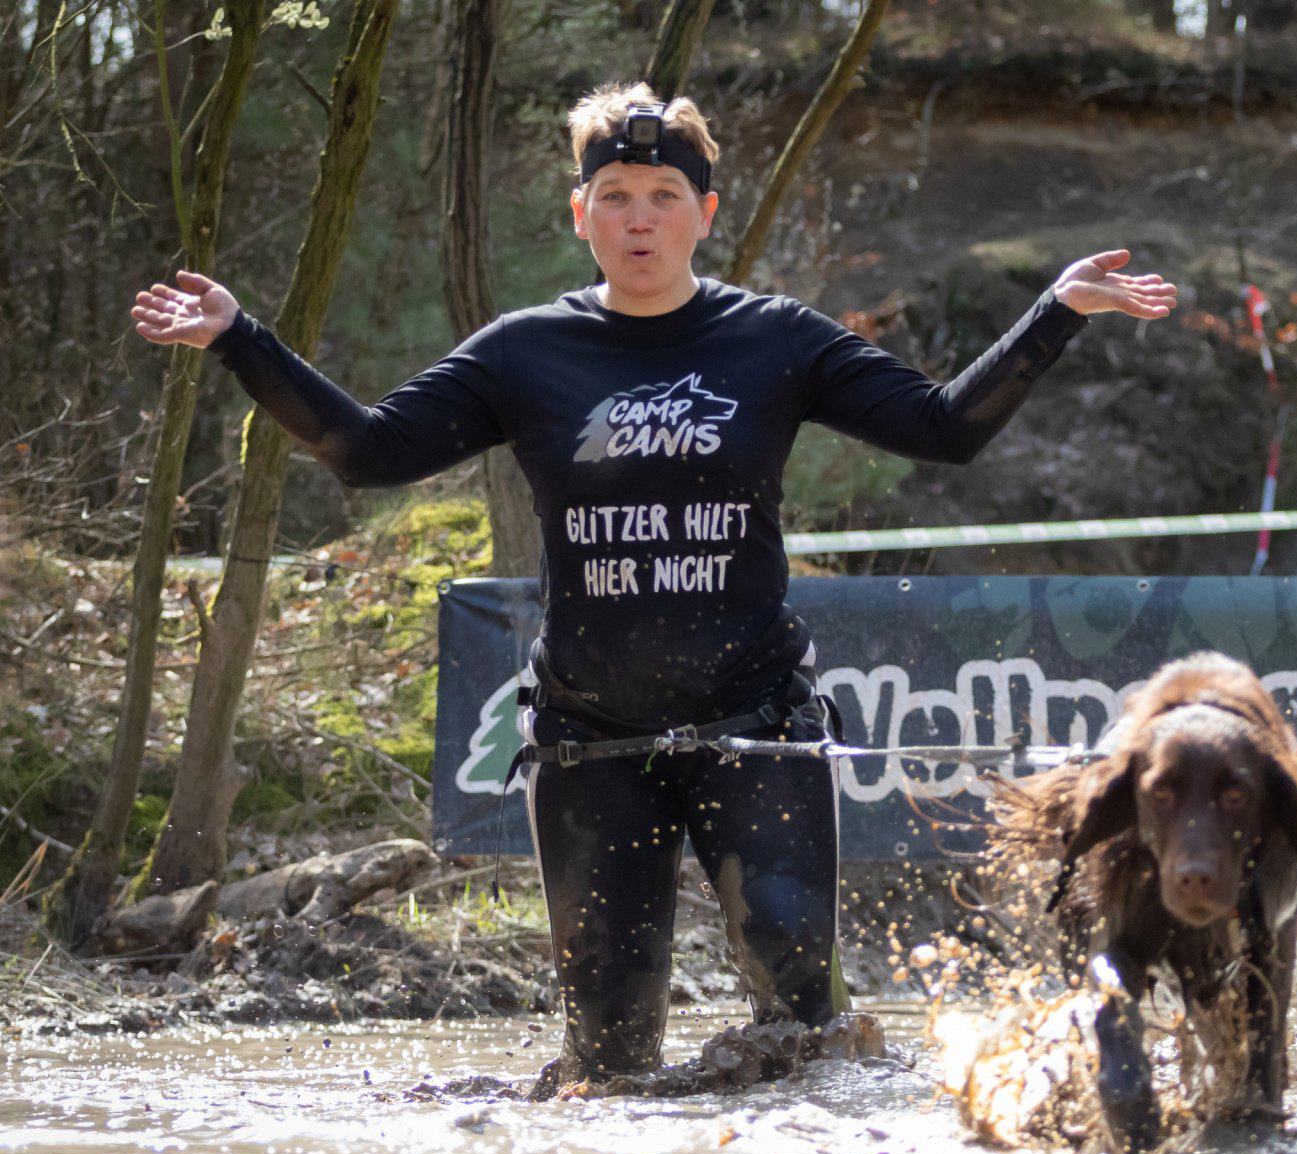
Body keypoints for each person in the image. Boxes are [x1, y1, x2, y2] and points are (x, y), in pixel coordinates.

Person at [131, 81, 1179, 1090]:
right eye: (617, 198)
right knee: (608, 1060)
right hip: (590, 740)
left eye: (664, 196)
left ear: (704, 214)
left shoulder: (777, 339)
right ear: (580, 214)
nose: (640, 219)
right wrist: (238, 339)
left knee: (805, 1031)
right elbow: (369, 451)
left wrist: (1056, 311)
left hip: (757, 728)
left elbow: (944, 428)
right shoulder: (524, 353)